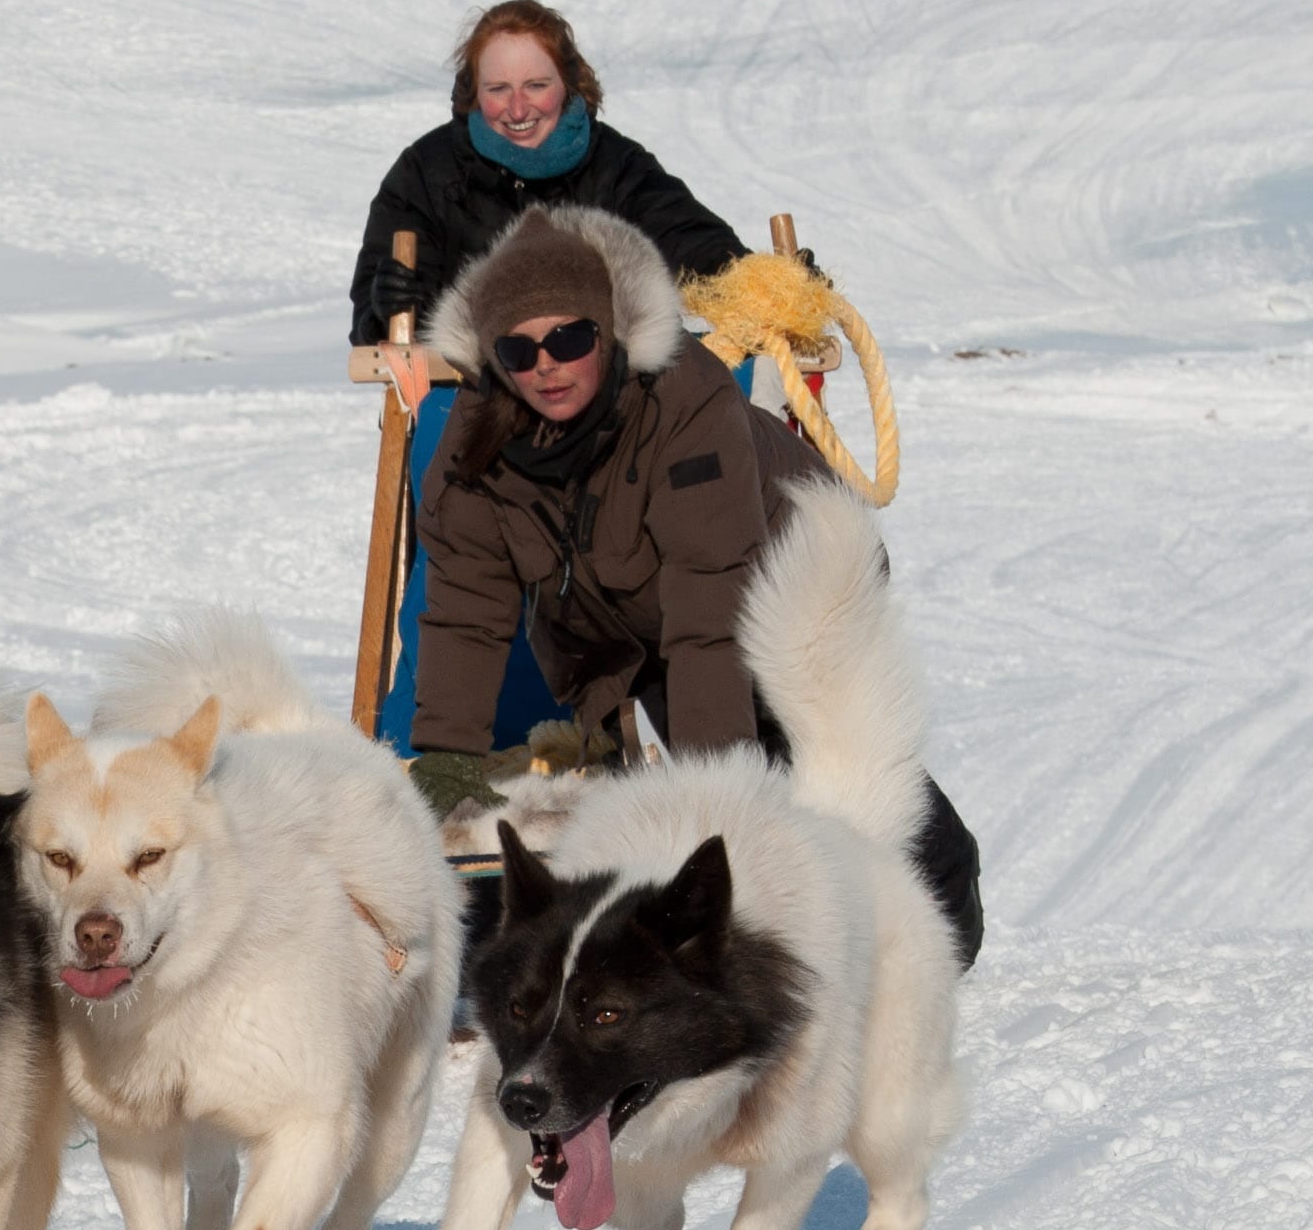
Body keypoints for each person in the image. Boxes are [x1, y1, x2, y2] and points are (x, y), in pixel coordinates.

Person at [405, 205, 985, 964]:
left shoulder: (685, 401)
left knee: (807, 747)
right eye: (519, 348)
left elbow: (710, 618)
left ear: (608, 333)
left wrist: (723, 816)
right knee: (706, 763)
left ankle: (940, 911)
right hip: (631, 608)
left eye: (569, 338)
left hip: (793, 566)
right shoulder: (478, 438)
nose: (545, 363)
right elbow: (464, 611)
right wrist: (447, 762)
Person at [348, 0, 746, 348]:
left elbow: (690, 242)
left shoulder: (615, 165)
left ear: (570, 85)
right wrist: (386, 308)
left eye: (536, 85)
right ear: (474, 91)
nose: (518, 110)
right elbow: (372, 312)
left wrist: (760, 282)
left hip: (607, 405)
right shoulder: (426, 173)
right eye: (498, 89)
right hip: (466, 400)